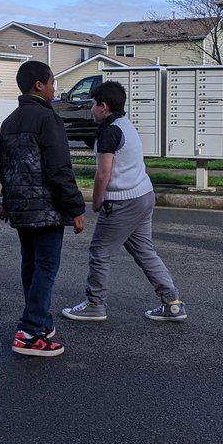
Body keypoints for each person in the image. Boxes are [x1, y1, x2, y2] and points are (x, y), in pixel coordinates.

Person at [61, 80, 186, 323]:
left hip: (123, 201)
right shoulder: (125, 124)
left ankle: (95, 304)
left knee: (99, 252)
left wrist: (97, 202)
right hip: (143, 195)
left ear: (104, 106)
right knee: (144, 251)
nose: (91, 109)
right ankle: (172, 304)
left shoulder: (109, 132)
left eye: (93, 104)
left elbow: (103, 173)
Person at [0, 60, 86, 357]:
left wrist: (8, 203)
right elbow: (59, 168)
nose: (53, 88)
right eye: (51, 83)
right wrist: (75, 207)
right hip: (47, 208)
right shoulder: (49, 120)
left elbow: (4, 168)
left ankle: (43, 323)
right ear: (39, 85)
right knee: (46, 269)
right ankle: (30, 331)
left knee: (31, 267)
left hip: (22, 209)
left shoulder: (10, 121)